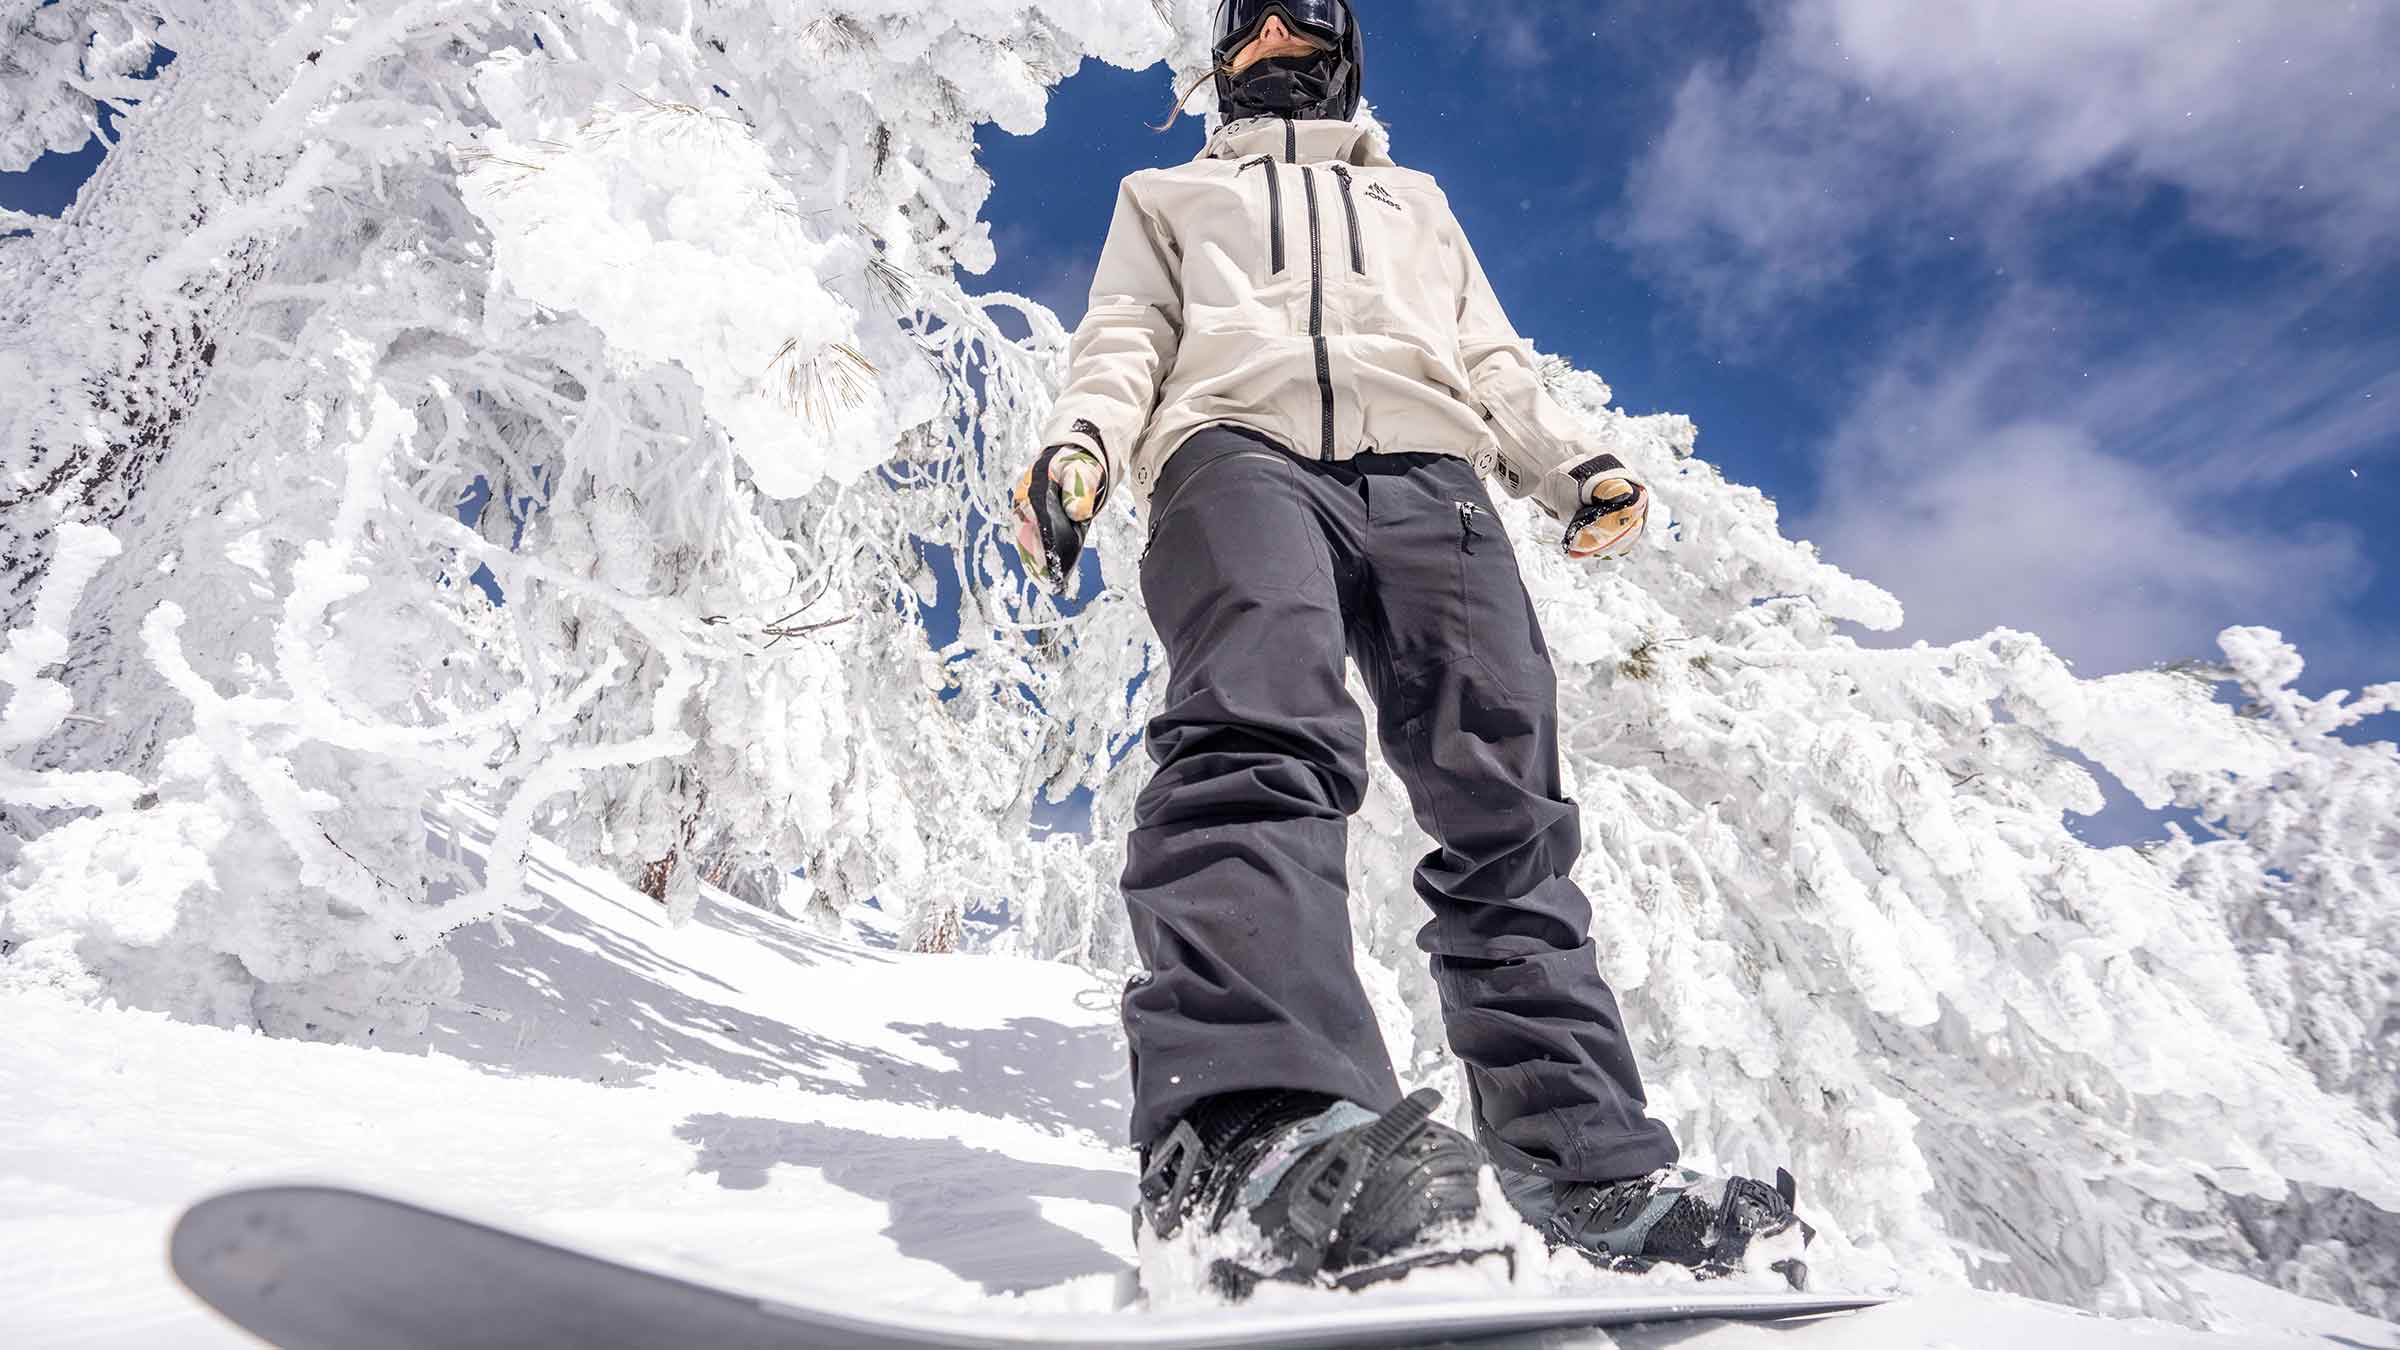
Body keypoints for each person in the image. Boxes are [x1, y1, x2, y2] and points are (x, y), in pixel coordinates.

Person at [1013, 0, 1806, 1296]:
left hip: (1431, 473)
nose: (1275, 36)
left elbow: (1488, 351)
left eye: (1300, 19)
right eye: (1249, 25)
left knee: (1508, 805)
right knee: (1261, 718)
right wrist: (1083, 440)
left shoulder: (1415, 207)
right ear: (1222, 63)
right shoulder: (1165, 195)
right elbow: (1126, 335)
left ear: (1342, 49)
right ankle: (1242, 1136)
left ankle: (1586, 1172)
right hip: (1234, 446)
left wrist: (1571, 464)